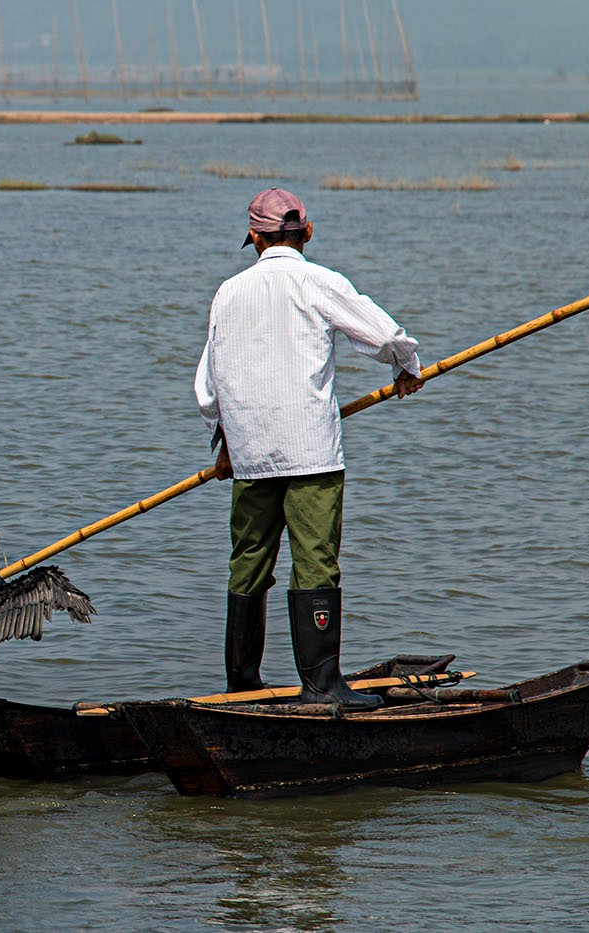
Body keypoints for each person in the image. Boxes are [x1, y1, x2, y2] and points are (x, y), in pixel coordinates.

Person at [194, 187, 424, 709]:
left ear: (254, 236)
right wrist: (405, 366)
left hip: (250, 450)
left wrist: (225, 442)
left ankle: (242, 685)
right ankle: (321, 685)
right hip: (310, 451)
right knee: (315, 560)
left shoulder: (228, 292)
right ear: (307, 233)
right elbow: (383, 333)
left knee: (248, 560)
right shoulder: (319, 281)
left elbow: (210, 386)